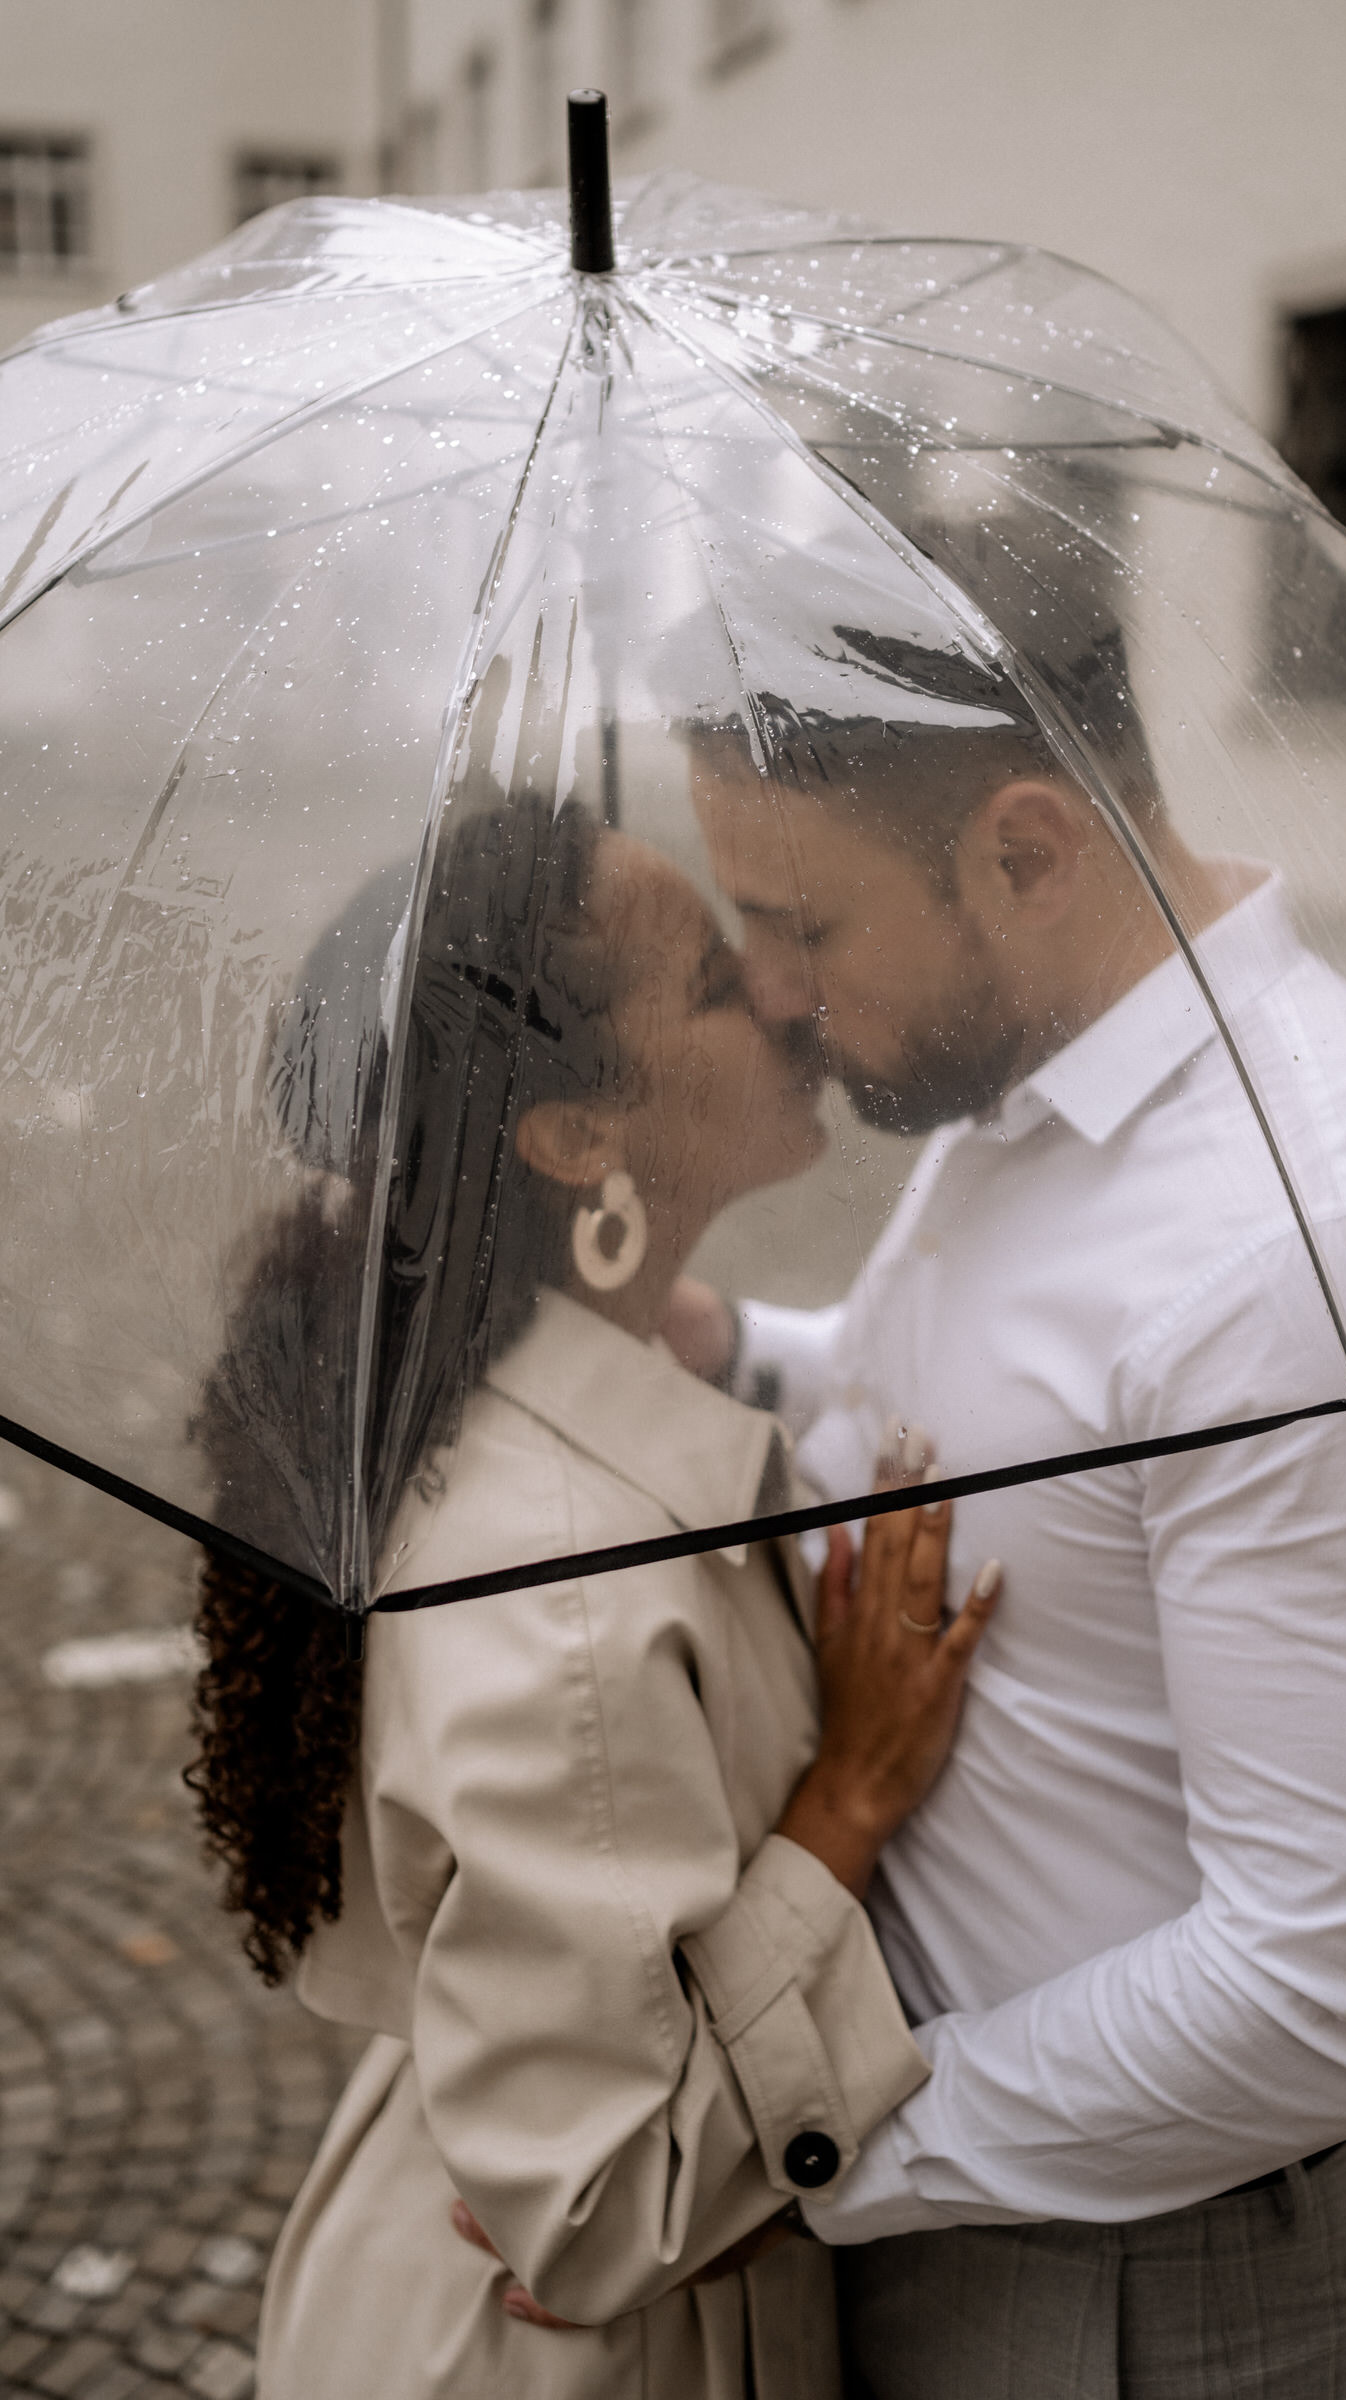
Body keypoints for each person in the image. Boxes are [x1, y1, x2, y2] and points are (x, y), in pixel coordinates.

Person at [648, 625, 1346, 2398]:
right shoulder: (1032, 1059)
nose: (768, 988)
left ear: (1025, 850)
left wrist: (795, 2154)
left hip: (1135, 2283)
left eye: (806, 925)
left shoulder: (1318, 1258)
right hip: (967, 2193)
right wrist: (743, 1351)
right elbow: (997, 1403)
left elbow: (1325, 1992)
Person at [185, 778, 1002, 2399]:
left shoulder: (559, 1390)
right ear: (574, 1137)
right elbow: (600, 2205)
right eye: (714, 980)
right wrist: (846, 1798)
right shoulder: (558, 1585)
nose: (786, 993)